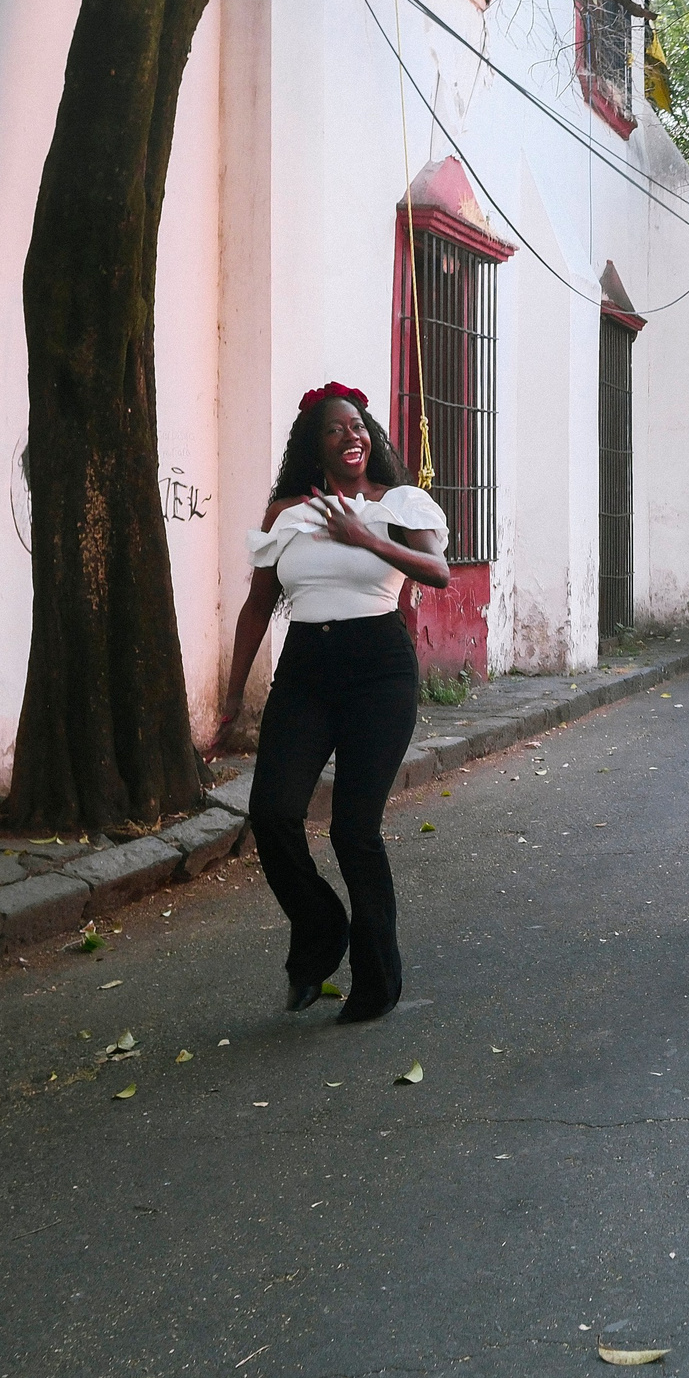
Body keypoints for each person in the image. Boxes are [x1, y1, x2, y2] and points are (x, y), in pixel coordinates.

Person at [219, 383, 449, 1023]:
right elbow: (259, 605)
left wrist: (365, 537)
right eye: (335, 430)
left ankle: (376, 983)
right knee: (271, 812)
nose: (352, 437)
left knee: (354, 829)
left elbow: (437, 573)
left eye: (359, 427)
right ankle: (321, 928)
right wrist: (233, 699)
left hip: (379, 666)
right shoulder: (286, 513)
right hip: (305, 669)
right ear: (313, 446)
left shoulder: (399, 502)